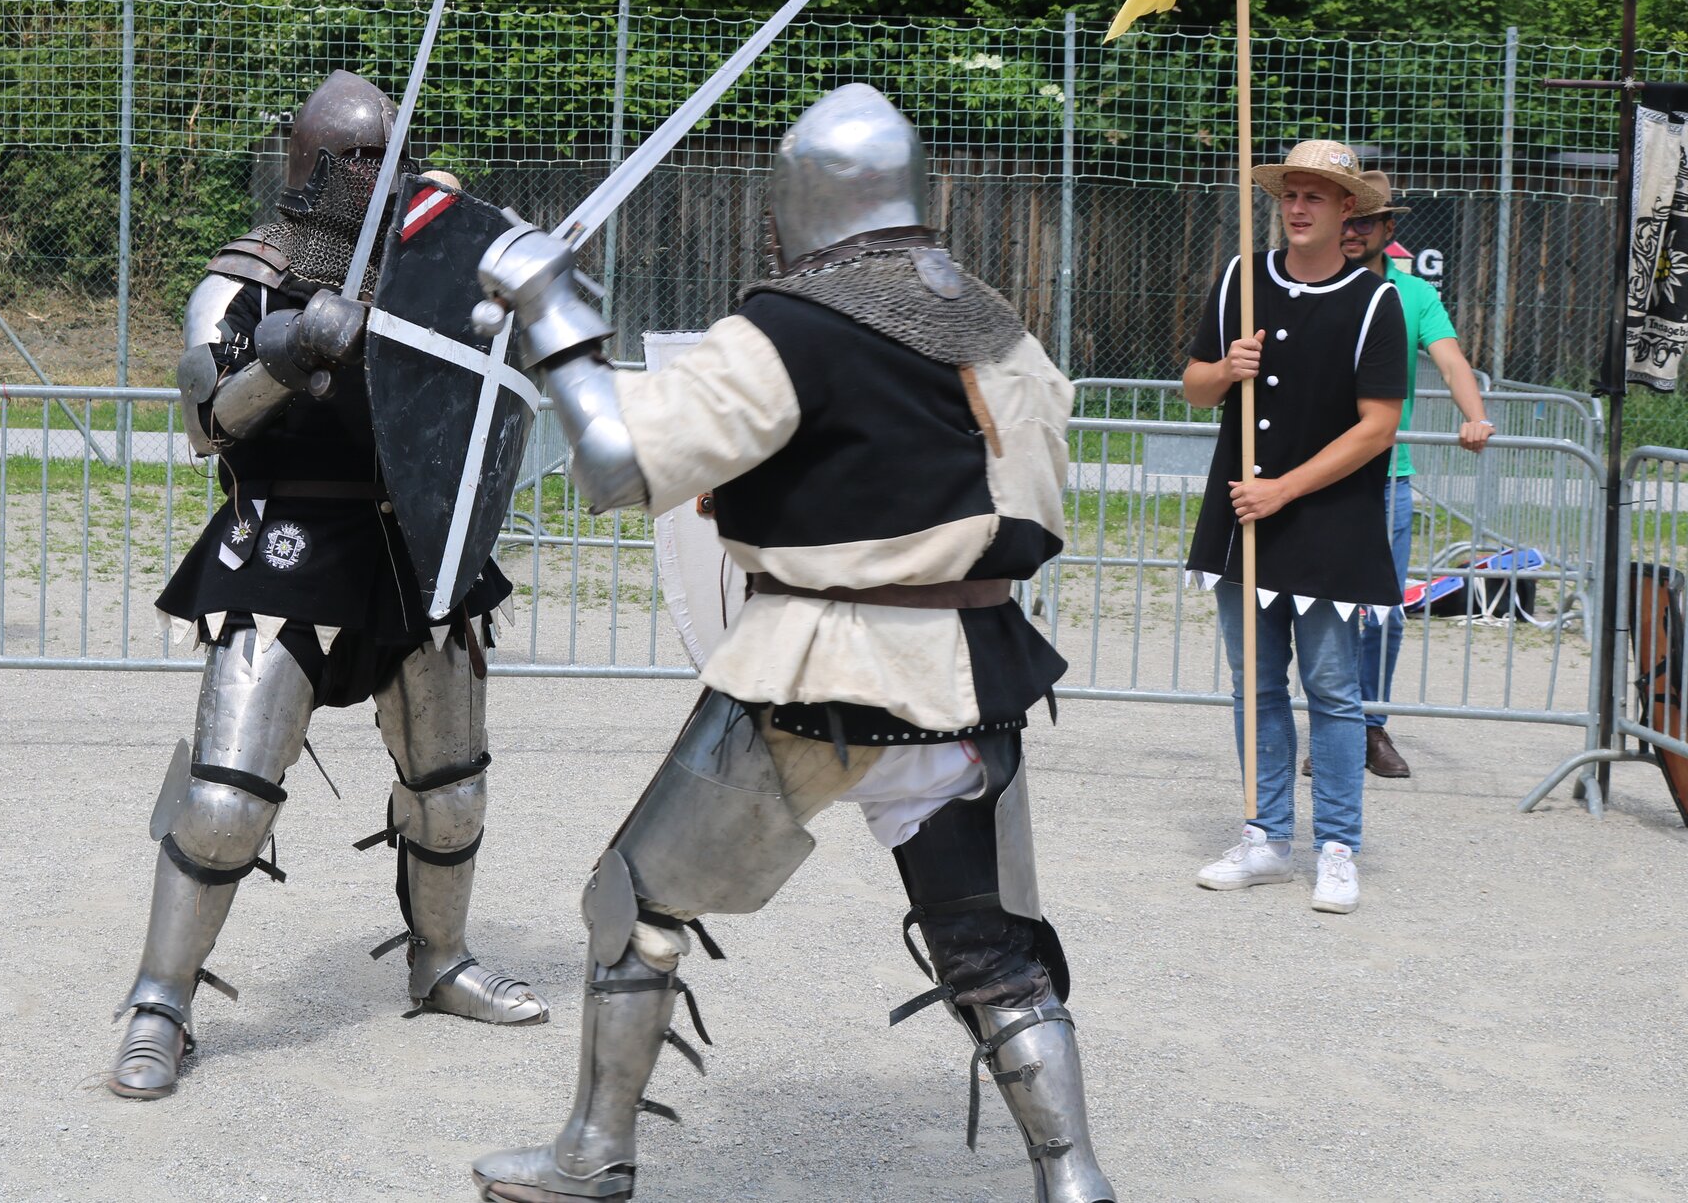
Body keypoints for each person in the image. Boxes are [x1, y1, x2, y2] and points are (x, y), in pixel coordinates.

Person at [469, 84, 1113, 1203]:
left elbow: (620, 466)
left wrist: (550, 318)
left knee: (634, 905)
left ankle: (588, 1157)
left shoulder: (792, 325)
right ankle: (1075, 1182)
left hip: (813, 676)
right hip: (972, 677)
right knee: (994, 960)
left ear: (796, 202)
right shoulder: (997, 323)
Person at [105, 70, 545, 1102]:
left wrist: (497, 312)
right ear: (310, 162)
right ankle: (160, 1000)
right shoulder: (248, 273)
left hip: (415, 544)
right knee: (224, 798)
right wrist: (293, 349)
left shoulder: (433, 270)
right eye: (357, 156)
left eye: (389, 155)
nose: (377, 174)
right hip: (288, 543)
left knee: (450, 788)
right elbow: (207, 418)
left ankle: (439, 962)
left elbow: (488, 402)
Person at [1182, 140, 1407, 916]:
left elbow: (1378, 427)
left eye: (1317, 195)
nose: (1299, 206)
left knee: (1334, 690)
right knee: (1255, 687)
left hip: (1327, 521)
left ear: (1350, 211)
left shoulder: (1376, 301)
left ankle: (1337, 844)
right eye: (1290, 194)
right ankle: (1265, 835)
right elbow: (1193, 387)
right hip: (1242, 517)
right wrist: (1226, 369)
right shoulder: (1243, 280)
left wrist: (1287, 489)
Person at [1325, 172, 1493, 779]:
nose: (1349, 232)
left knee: (1385, 613)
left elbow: (1451, 361)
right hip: (1320, 480)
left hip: (1387, 481)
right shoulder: (1312, 284)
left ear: (1387, 230)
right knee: (1326, 610)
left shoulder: (1413, 296)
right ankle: (1334, 731)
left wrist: (1475, 417)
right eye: (1344, 219)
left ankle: (1370, 727)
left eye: (1363, 222)